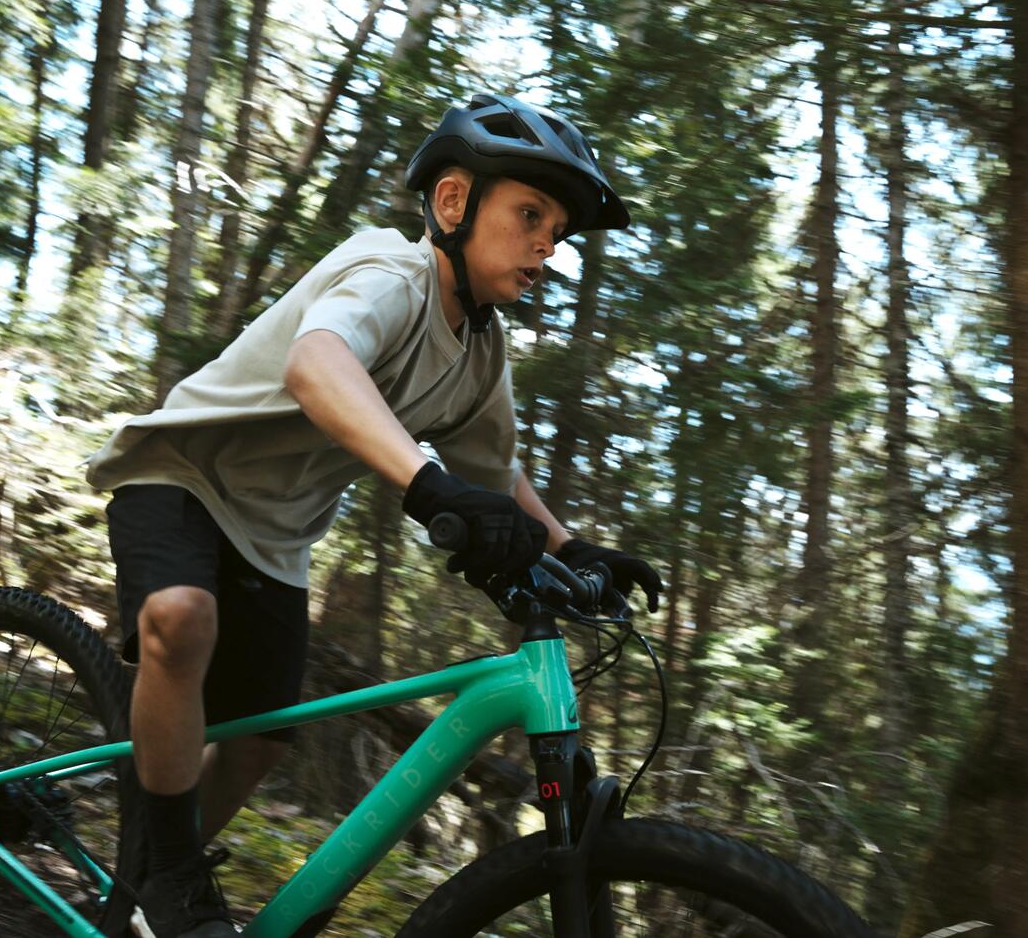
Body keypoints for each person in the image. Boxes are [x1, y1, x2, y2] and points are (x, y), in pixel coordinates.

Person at [85, 92, 663, 937]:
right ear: (455, 202)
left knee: (260, 738)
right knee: (180, 618)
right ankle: (171, 878)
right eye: (531, 213)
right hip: (181, 476)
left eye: (560, 232)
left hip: (274, 537)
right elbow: (318, 366)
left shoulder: (481, 349)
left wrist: (575, 549)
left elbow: (495, 473)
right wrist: (427, 488)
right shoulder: (391, 275)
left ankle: (132, 893)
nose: (548, 243)